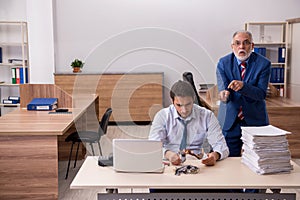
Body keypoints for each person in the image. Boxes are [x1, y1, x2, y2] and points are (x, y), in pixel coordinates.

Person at [216, 30, 271, 157]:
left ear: (252, 46)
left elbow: (261, 94)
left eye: (246, 43)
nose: (241, 47)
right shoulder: (223, 63)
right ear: (232, 46)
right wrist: (224, 94)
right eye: (237, 43)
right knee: (228, 162)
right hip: (230, 121)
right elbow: (223, 89)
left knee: (257, 161)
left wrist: (243, 87)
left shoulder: (263, 64)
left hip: (255, 120)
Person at [149, 80, 229, 167]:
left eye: (188, 104)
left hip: (197, 162)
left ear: (193, 98)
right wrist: (168, 154)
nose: (184, 110)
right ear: (172, 101)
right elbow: (153, 146)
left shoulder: (207, 115)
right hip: (168, 161)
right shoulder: (162, 116)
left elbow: (221, 146)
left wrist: (215, 155)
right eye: (179, 105)